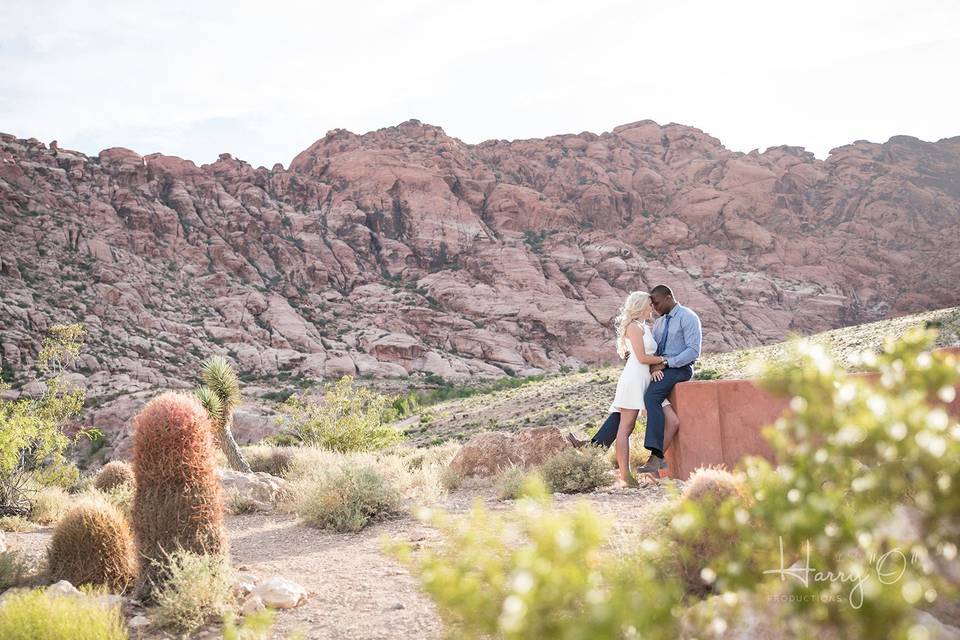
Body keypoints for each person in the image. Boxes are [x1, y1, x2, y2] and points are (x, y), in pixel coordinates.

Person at [569, 290, 679, 487]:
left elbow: (647, 358)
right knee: (626, 427)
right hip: (634, 380)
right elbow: (642, 357)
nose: (652, 308)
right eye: (649, 305)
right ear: (640, 306)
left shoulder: (645, 326)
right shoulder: (634, 327)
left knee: (671, 420)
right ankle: (625, 475)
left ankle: (596, 448)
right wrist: (665, 361)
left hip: (648, 380)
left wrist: (655, 368)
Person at [634, 284, 701, 479]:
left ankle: (655, 455)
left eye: (656, 303)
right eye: (652, 305)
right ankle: (656, 458)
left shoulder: (688, 317)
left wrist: (666, 362)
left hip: (680, 368)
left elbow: (693, 351)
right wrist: (655, 365)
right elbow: (655, 351)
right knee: (638, 397)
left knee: (652, 397)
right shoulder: (660, 323)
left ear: (669, 297)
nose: (654, 308)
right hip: (661, 368)